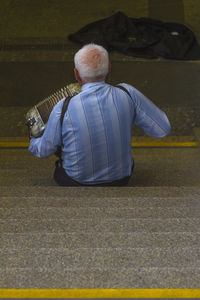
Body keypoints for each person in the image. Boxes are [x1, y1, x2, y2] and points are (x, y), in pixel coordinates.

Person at [29, 43, 171, 186]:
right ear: (109, 67)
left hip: (75, 181)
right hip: (121, 179)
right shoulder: (128, 93)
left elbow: (43, 151)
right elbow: (162, 129)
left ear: (76, 73)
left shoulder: (63, 107)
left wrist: (32, 138)